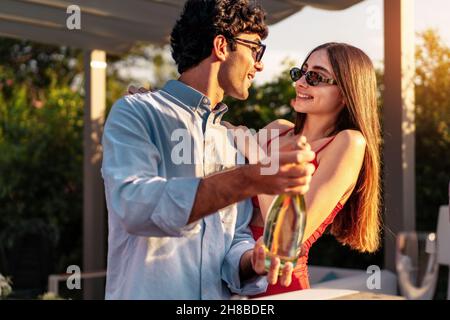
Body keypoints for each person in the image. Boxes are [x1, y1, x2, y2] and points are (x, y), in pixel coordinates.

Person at [101, 0, 315, 300]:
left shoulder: (231, 141)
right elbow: (134, 207)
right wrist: (249, 179)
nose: (259, 64)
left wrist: (251, 262)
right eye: (255, 49)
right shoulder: (136, 112)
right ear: (221, 46)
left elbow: (232, 240)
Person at [226, 42, 382, 297]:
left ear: (346, 91)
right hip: (229, 274)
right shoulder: (276, 130)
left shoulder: (348, 143)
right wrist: (159, 109)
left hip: (280, 286)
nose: (301, 83)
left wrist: (254, 154)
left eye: (316, 77)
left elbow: (287, 235)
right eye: (301, 72)